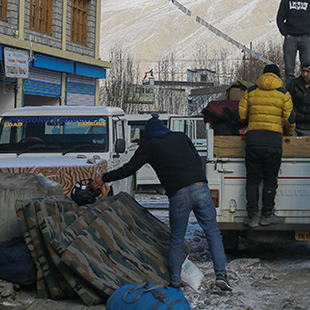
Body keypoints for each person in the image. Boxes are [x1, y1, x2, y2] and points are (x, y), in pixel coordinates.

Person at [91, 114, 232, 291]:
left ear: (149, 133)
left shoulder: (149, 145)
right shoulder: (181, 136)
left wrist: (104, 177)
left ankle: (174, 283)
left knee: (177, 239)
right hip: (200, 187)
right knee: (212, 232)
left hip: (179, 193)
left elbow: (129, 169)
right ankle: (221, 275)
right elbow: (196, 159)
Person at [238, 64, 295, 228]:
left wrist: (247, 121)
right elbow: (290, 119)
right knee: (270, 180)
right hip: (273, 141)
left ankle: (252, 216)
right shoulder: (283, 93)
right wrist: (289, 135)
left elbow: (241, 115)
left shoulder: (250, 91)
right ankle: (267, 215)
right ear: (278, 76)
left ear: (263, 75)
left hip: (253, 140)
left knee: (252, 180)